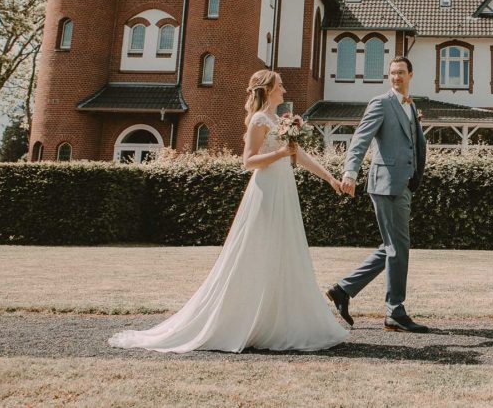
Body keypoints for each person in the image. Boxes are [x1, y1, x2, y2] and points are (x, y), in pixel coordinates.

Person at [108, 70, 349, 353]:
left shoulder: (280, 121)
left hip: (284, 191)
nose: (284, 89)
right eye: (280, 85)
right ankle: (244, 320)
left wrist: (329, 178)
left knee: (285, 252)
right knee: (258, 253)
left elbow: (300, 156)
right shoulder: (259, 120)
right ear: (268, 90)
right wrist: (281, 154)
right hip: (266, 191)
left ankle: (279, 321)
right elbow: (249, 161)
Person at [326, 56, 429, 333]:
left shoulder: (411, 104)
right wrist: (350, 172)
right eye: (392, 73)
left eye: (400, 73)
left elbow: (413, 143)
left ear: (411, 74)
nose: (396, 77)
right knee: (398, 246)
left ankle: (343, 290)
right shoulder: (381, 103)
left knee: (392, 246)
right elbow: (361, 138)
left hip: (404, 184)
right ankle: (394, 311)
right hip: (385, 184)